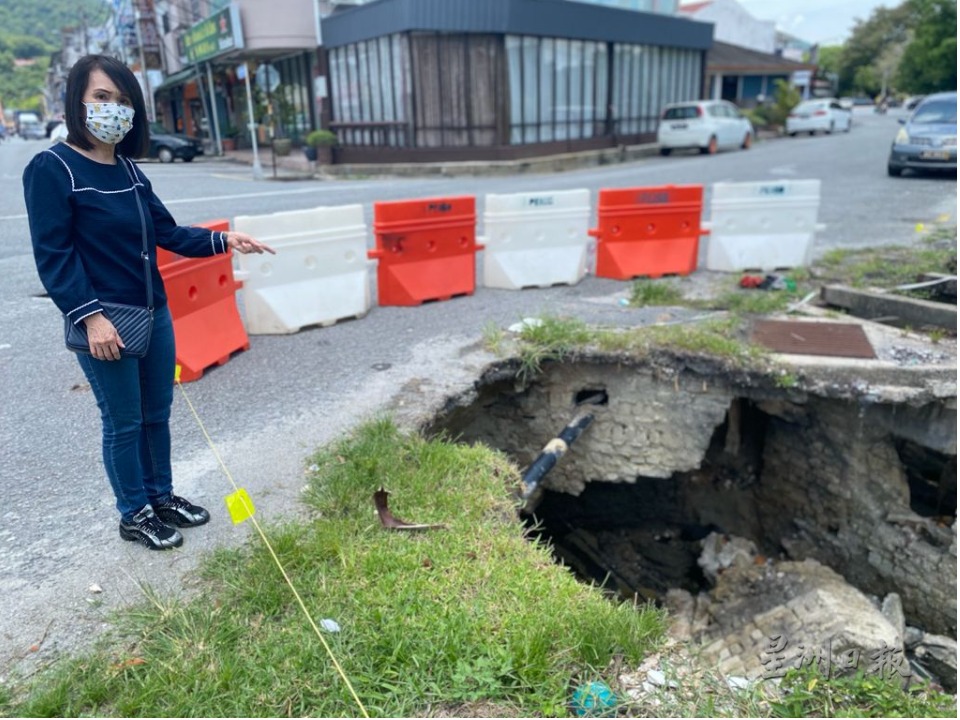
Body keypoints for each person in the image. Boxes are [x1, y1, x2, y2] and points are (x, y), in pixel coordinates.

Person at [22, 54, 276, 551]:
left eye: (121, 101)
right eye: (101, 97)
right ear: (76, 101)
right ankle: (133, 511)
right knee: (123, 420)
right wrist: (90, 319)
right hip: (104, 321)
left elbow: (167, 232)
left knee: (157, 412)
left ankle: (161, 497)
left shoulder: (130, 170)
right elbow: (54, 257)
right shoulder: (52, 168)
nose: (112, 109)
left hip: (152, 313)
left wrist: (226, 241)